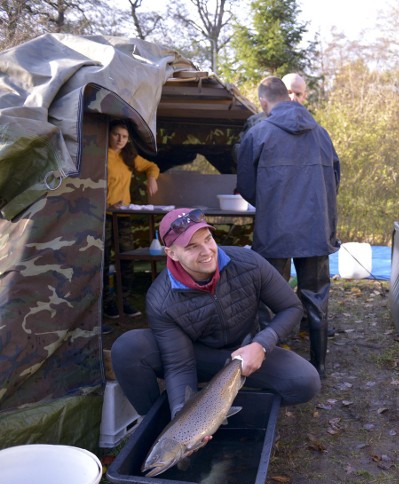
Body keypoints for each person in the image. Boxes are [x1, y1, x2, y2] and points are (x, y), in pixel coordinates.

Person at [110, 208, 321, 419]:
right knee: (128, 349)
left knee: (305, 380)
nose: (206, 251)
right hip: (200, 357)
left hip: (245, 353)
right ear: (171, 253)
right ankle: (160, 424)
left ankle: (228, 410)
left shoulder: (249, 262)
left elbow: (291, 307)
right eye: (192, 246)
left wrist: (262, 344)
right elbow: (180, 365)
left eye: (208, 239)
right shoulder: (160, 298)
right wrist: (182, 415)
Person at [237, 76, 340, 379]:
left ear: (264, 102)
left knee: (269, 300)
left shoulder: (258, 134)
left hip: (274, 230)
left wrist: (271, 203)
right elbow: (334, 180)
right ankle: (318, 366)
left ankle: (270, 367)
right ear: (289, 96)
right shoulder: (321, 134)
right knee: (316, 297)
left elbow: (246, 187)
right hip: (316, 229)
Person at [104, 119, 160, 319]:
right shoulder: (99, 156)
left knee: (127, 258)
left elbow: (151, 166)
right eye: (116, 134)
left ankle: (123, 300)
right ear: (108, 134)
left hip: (123, 216)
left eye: (125, 136)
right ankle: (106, 304)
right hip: (102, 217)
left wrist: (151, 177)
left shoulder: (129, 156)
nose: (120, 140)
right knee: (102, 261)